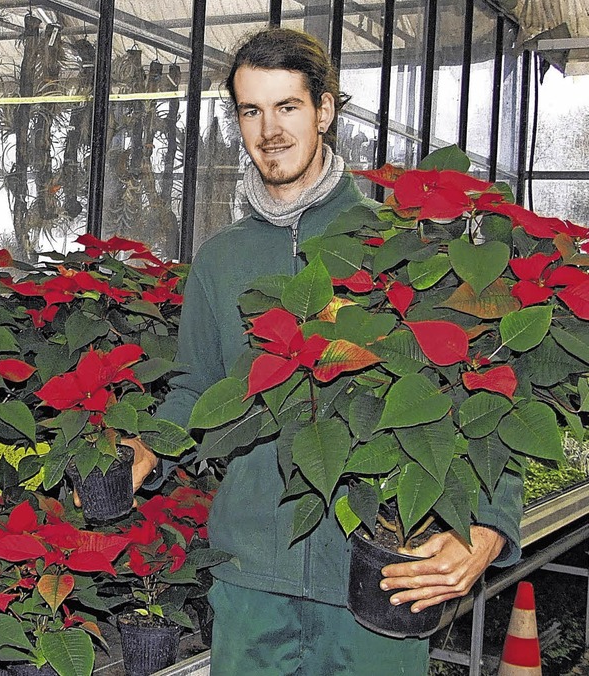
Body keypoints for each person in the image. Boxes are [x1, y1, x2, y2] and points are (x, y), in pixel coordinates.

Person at [126, 28, 523, 675]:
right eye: (251, 111)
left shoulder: (397, 244)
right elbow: (197, 388)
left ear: (326, 110)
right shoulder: (222, 260)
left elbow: (483, 392)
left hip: (385, 568)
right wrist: (147, 449)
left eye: (287, 107)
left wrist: (489, 526)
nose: (269, 130)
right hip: (252, 573)